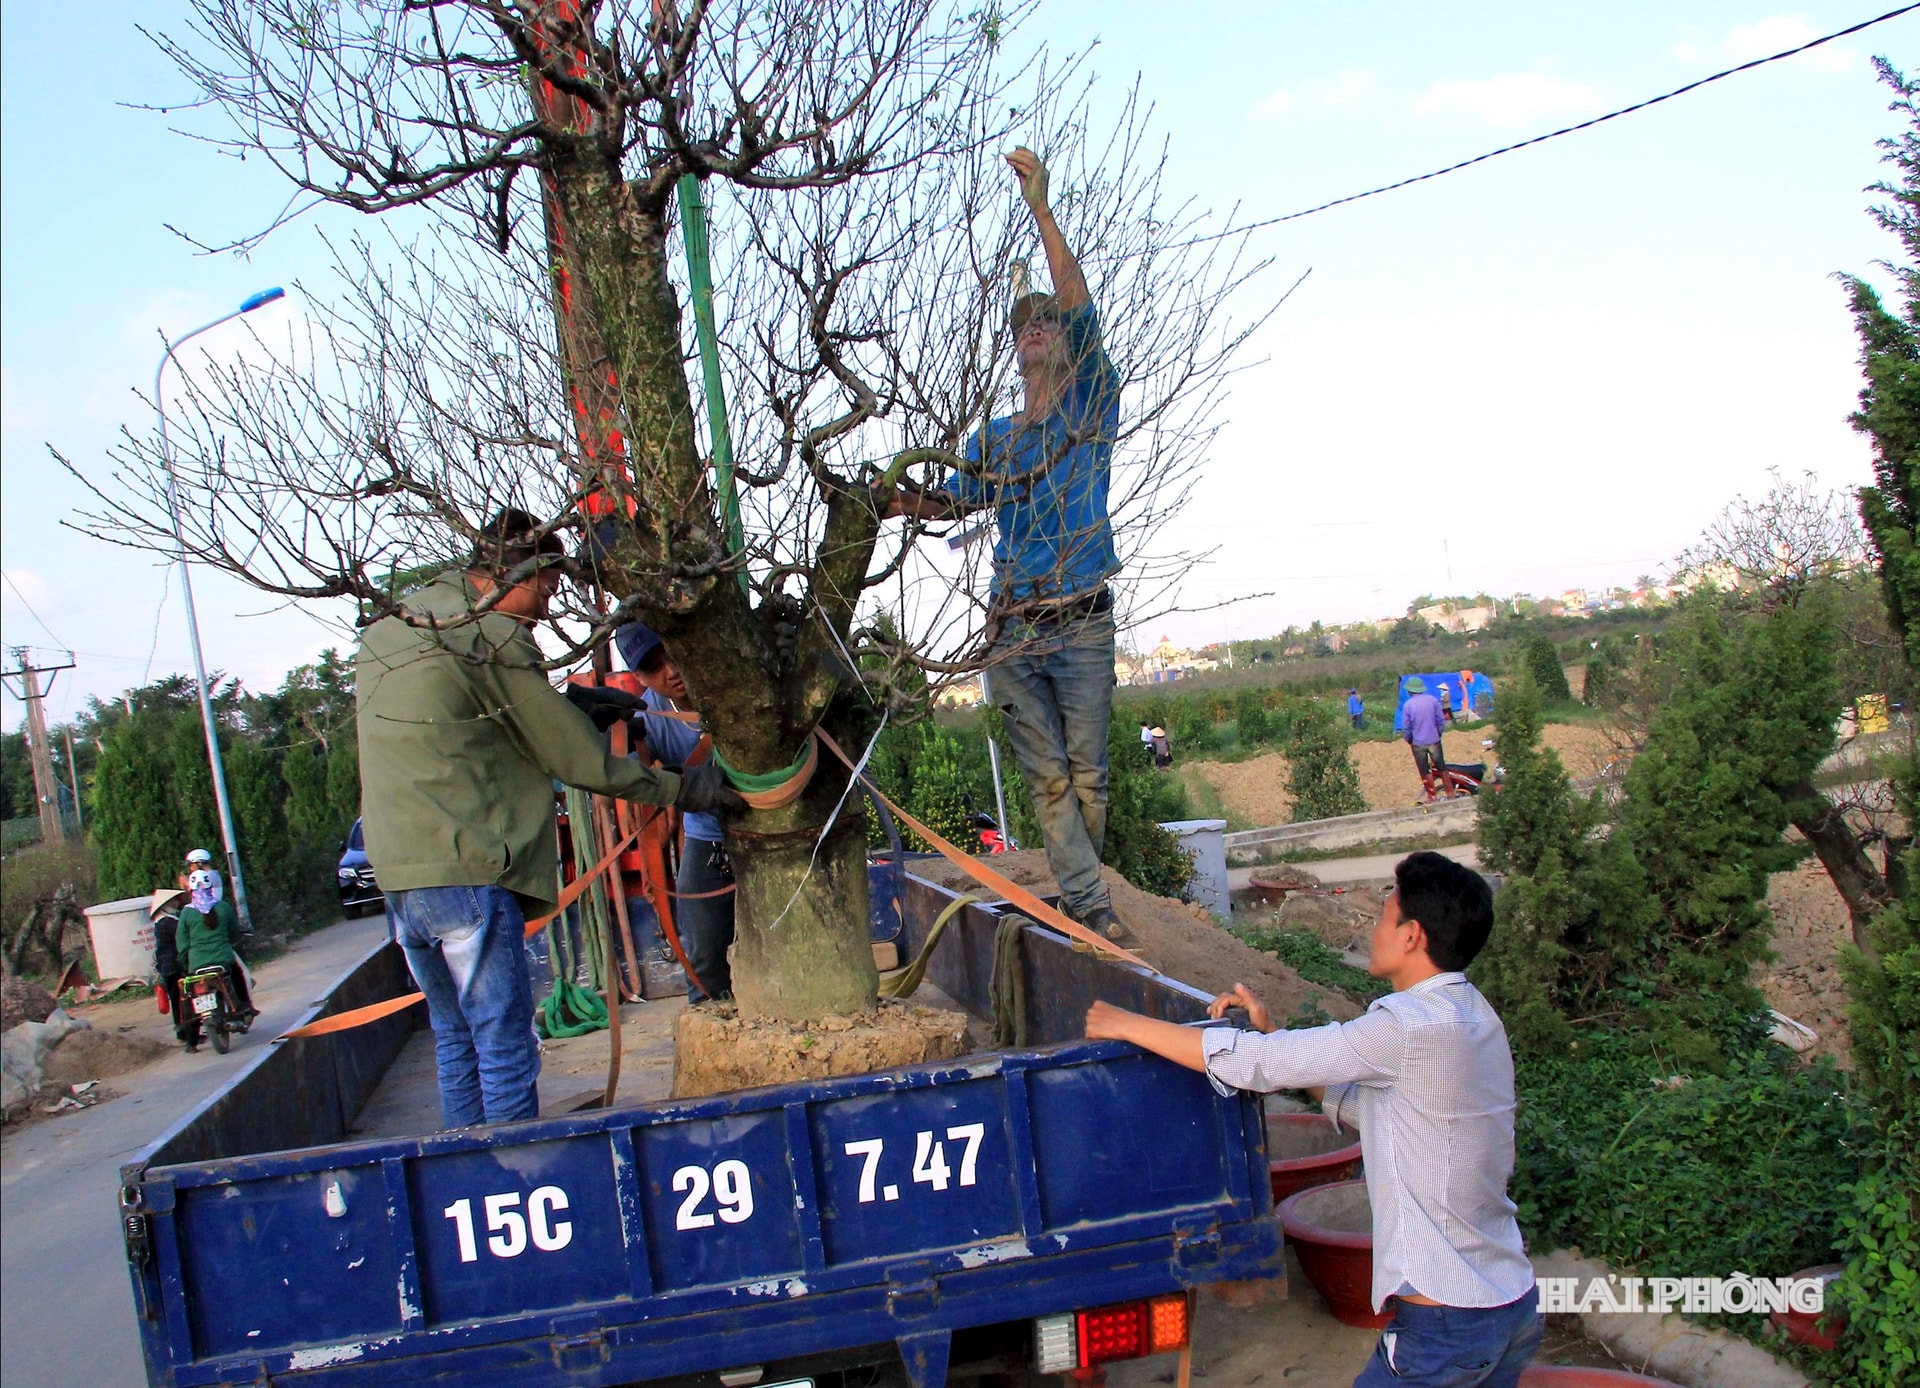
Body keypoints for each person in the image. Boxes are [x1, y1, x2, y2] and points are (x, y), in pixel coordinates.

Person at [1085, 852, 1539, 1388]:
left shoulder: (1405, 1027)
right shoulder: (1475, 1017)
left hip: (1445, 1326)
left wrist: (1125, 1024)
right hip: (1510, 1306)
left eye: (1384, 917)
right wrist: (1274, 1034)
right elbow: (1365, 1107)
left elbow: (1252, 1064)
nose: (1374, 930)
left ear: (1412, 936)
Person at [355, 508, 742, 1128]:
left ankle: (468, 1171)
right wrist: (683, 789)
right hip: (469, 869)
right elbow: (578, 762)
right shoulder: (492, 634)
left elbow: (462, 727)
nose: (544, 610)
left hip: (400, 874)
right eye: (548, 590)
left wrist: (568, 709)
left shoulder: (396, 625)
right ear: (529, 573)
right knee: (504, 1043)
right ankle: (516, 1166)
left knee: (456, 1037)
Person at [882, 146, 1129, 944]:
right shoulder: (994, 438)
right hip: (1014, 626)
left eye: (1046, 322)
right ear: (1013, 348)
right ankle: (1092, 909)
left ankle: (1084, 894)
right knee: (1049, 782)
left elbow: (1082, 310)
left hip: (1083, 620)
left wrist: (1041, 209)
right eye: (1023, 326)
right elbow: (958, 500)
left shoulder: (1091, 408)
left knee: (1088, 781)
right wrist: (893, 500)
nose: (1036, 331)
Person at [615, 622, 736, 1004]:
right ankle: (708, 1022)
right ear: (639, 677)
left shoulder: (737, 682)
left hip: (778, 829)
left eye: (673, 653)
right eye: (655, 666)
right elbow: (618, 785)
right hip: (709, 836)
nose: (671, 670)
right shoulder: (647, 717)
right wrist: (614, 742)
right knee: (701, 952)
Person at [176, 868, 255, 1049]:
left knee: (189, 991)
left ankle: (191, 1036)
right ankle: (244, 1007)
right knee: (237, 975)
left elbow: (182, 942)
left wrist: (186, 961)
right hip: (223, 959)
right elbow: (234, 932)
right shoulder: (223, 907)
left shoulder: (186, 913)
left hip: (197, 964)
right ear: (211, 887)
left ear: (191, 891)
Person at [148, 888, 192, 1048]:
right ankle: (185, 1033)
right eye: (173, 901)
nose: (176, 903)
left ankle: (184, 1033)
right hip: (173, 966)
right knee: (181, 1000)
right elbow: (184, 935)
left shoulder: (162, 921)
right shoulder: (168, 922)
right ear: (164, 905)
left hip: (168, 967)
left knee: (177, 1000)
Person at [1401, 678, 1453, 801]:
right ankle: (1450, 793)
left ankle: (1432, 796)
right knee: (1441, 767)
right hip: (1434, 739)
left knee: (1424, 770)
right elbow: (1440, 720)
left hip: (1418, 743)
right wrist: (1438, 734)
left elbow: (1406, 727)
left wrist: (1409, 739)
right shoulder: (1433, 701)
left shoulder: (1408, 705)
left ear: (1410, 691)